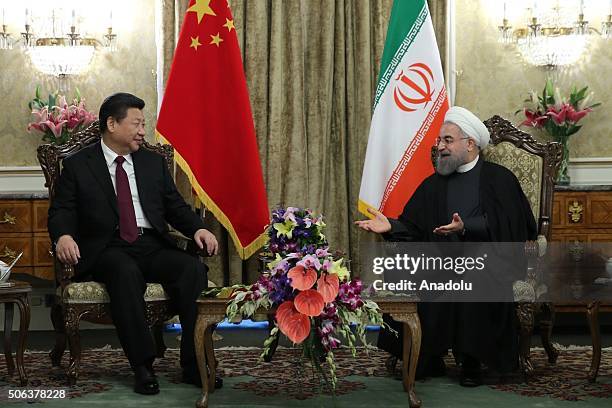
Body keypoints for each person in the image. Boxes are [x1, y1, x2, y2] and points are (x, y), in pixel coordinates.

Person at [48, 92, 220, 395]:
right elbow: (62, 210)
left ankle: (194, 364)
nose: (143, 130)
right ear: (112, 124)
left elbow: (175, 207)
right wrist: (63, 235)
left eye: (144, 123)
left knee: (191, 269)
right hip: (107, 249)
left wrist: (197, 229)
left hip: (151, 244)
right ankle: (142, 366)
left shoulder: (152, 163)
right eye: (137, 123)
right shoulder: (78, 166)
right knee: (124, 270)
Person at [356, 106, 537, 386]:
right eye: (439, 141)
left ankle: (472, 361)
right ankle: (427, 355)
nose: (439, 146)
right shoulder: (433, 185)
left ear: (471, 144)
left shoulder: (500, 180)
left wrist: (467, 227)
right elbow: (414, 226)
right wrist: (391, 226)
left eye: (447, 141)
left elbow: (514, 226)